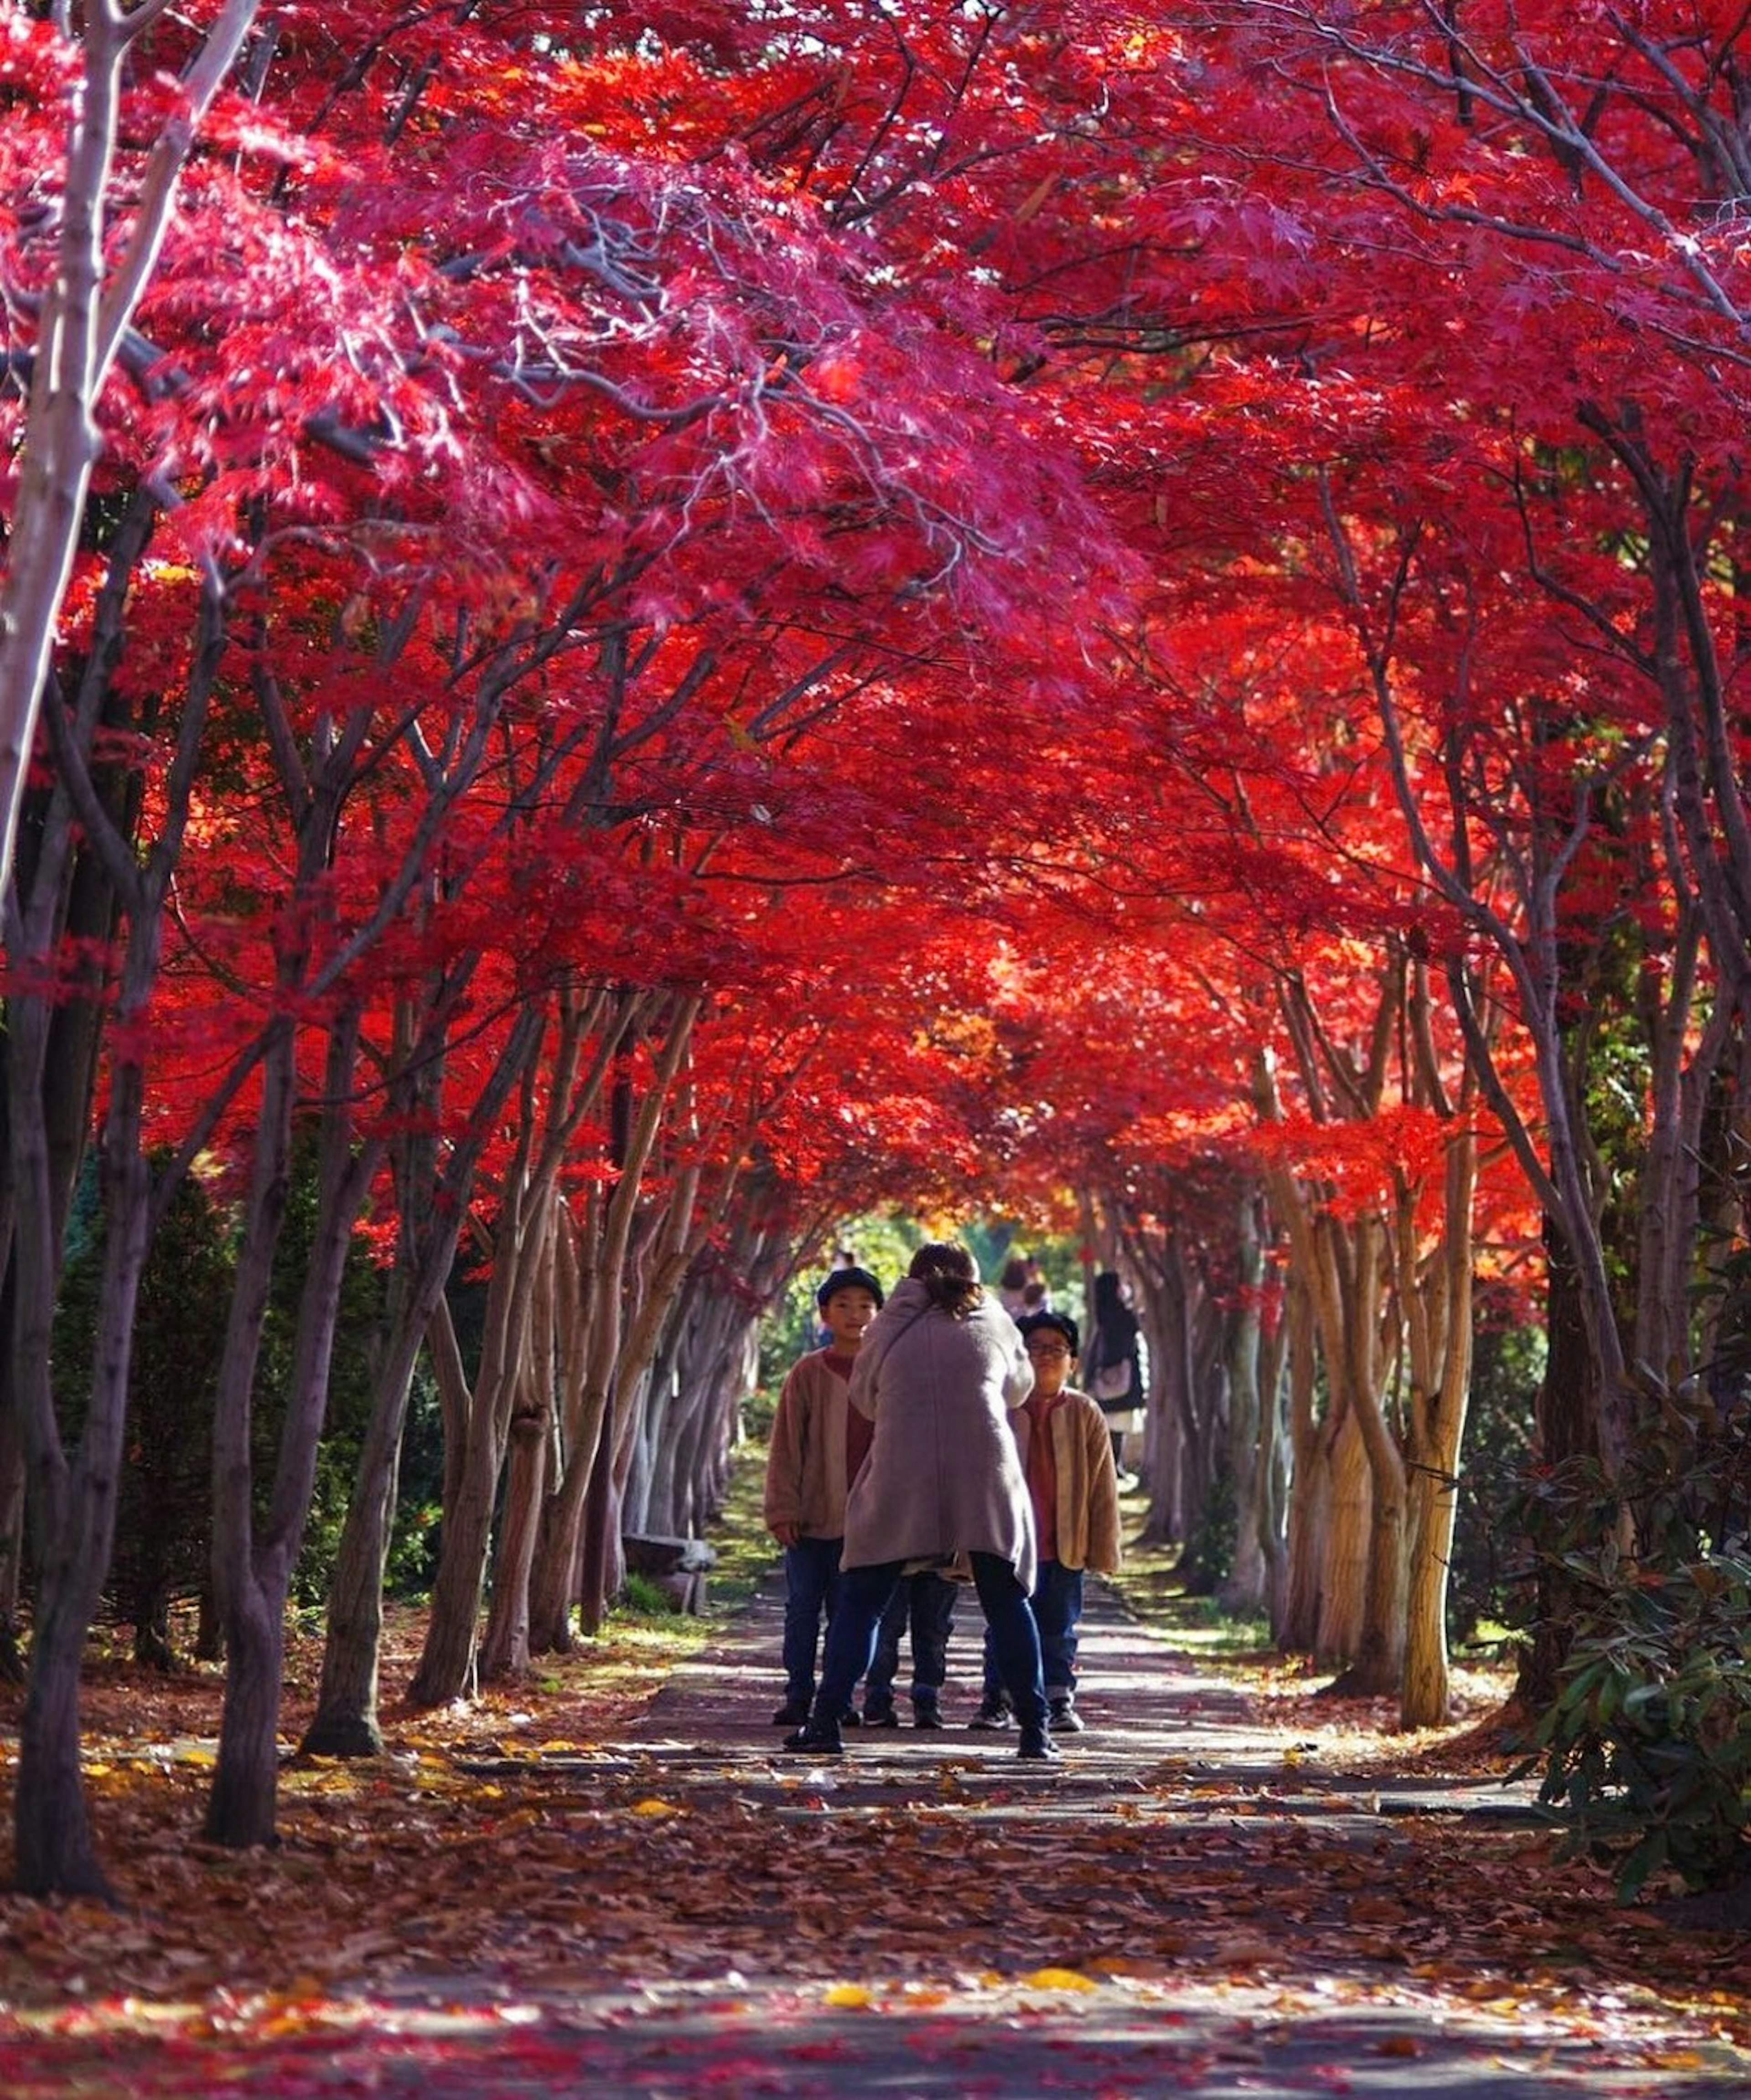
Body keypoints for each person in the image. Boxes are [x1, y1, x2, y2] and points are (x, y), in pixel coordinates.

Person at [780, 1241, 1057, 1761]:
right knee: (1006, 1601)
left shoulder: (886, 1326)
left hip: (900, 1473)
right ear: (973, 1278)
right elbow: (1020, 1390)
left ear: (911, 1278)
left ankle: (825, 1723)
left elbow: (864, 1398)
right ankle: (1035, 1732)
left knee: (863, 1601)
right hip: (985, 1474)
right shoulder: (995, 1322)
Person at [970, 1310, 1122, 1735]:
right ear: (1019, 1355)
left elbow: (1102, 1486)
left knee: (1058, 1628)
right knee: (1002, 1626)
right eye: (1035, 1347)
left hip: (1063, 1542)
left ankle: (1058, 1699)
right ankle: (996, 1701)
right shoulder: (1000, 1409)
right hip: (1008, 1543)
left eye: (1057, 1349)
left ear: (1072, 1360)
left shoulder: (1085, 1412)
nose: (1046, 1357)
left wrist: (1102, 1545)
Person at [762, 1264, 885, 1727]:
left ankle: (840, 1697)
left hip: (868, 1521)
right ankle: (798, 1693)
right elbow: (786, 1445)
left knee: (851, 1614)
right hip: (812, 1517)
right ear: (825, 1315)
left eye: (866, 1306)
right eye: (844, 1306)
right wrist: (782, 1508)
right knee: (803, 1610)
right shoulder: (808, 1373)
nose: (856, 1315)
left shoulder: (886, 1374)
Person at [861, 1567, 959, 1727]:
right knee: (932, 1631)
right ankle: (927, 1700)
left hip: (893, 1555)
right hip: (938, 1555)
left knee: (886, 1631)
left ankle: (878, 1700)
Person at [1083, 1269, 1144, 1475]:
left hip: (1105, 1377)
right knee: (1119, 1424)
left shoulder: (1101, 1316)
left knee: (1108, 1424)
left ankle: (1109, 1465)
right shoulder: (1124, 1316)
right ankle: (1115, 1465)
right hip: (1123, 1375)